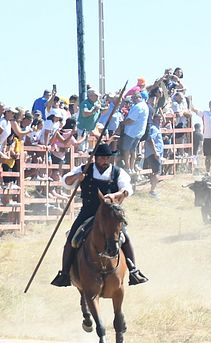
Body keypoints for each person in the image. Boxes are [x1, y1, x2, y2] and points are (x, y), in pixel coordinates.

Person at [50, 143, 148, 287]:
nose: (105, 160)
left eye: (107, 158)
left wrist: (117, 194)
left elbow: (127, 188)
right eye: (102, 157)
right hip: (88, 211)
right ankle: (64, 274)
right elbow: (66, 181)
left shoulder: (118, 172)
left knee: (125, 237)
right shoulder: (84, 169)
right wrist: (78, 177)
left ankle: (133, 271)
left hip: (110, 214)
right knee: (72, 239)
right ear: (95, 158)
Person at [118, 92, 149, 172]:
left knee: (126, 150)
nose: (132, 101)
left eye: (133, 98)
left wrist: (122, 123)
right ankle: (132, 167)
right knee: (133, 150)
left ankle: (128, 167)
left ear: (136, 97)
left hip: (131, 131)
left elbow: (131, 120)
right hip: (139, 131)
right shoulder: (145, 106)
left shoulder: (138, 107)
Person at [143, 112, 164, 198]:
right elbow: (150, 139)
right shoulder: (154, 128)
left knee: (155, 172)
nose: (160, 121)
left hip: (153, 153)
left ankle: (152, 190)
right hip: (153, 154)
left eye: (161, 120)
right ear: (154, 119)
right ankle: (152, 191)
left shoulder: (156, 128)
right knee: (157, 172)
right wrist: (155, 152)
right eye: (158, 119)